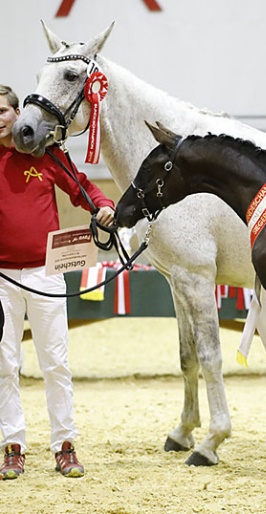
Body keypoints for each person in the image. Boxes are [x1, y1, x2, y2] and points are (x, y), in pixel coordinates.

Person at [0, 84, 115, 479]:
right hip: (0, 279)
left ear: (18, 114)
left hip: (45, 273)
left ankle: (64, 445)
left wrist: (103, 205)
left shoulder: (47, 154)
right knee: (4, 364)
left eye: (2, 110)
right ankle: (12, 446)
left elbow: (81, 187)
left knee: (55, 363)